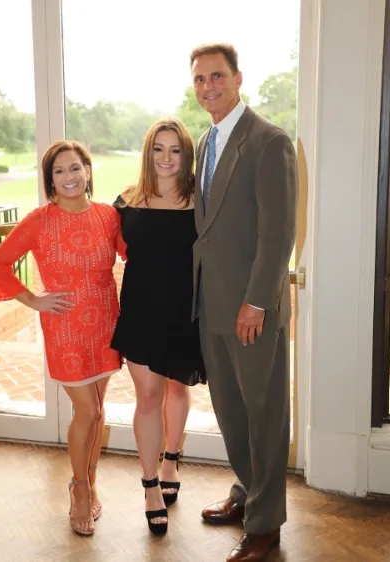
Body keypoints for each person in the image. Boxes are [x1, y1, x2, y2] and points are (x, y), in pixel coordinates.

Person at [0, 140, 126, 537]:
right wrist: (34, 300)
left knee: (98, 408)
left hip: (105, 324)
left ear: (88, 171)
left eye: (75, 168)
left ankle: (90, 483)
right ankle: (80, 490)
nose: (69, 177)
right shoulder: (39, 221)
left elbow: (139, 254)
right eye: (59, 171)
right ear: (50, 181)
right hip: (65, 328)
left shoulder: (109, 216)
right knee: (89, 412)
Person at [190, 43, 298, 561]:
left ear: (237, 79)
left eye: (217, 76)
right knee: (231, 410)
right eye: (199, 79)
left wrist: (257, 301)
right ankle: (248, 492)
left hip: (252, 310)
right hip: (212, 306)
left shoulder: (269, 141)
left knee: (264, 412)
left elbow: (279, 233)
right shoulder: (205, 142)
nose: (208, 87)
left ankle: (266, 524)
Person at [111, 117, 206, 535]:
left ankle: (171, 460)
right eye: (158, 149)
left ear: (186, 156)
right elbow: (102, 251)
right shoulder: (126, 200)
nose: (166, 158)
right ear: (148, 152)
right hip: (141, 311)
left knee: (176, 387)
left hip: (185, 312)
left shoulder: (200, 201)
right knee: (147, 395)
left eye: (175, 150)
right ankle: (150, 487)